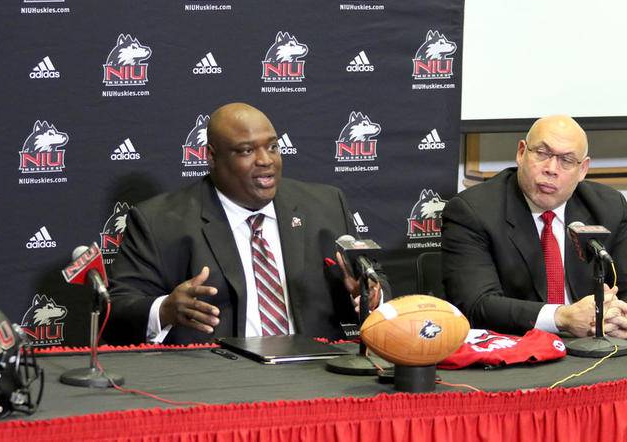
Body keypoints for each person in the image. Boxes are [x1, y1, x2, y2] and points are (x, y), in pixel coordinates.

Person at [105, 103, 388, 345]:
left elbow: (374, 281)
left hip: (314, 372)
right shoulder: (160, 221)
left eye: (273, 147)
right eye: (246, 151)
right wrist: (165, 309)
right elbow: (116, 310)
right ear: (212, 157)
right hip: (216, 382)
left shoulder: (325, 205)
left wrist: (370, 296)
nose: (265, 161)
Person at [442, 115, 627, 337]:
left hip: (594, 346)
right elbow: (477, 305)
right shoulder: (473, 211)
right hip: (518, 352)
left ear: (583, 169)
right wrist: (562, 317)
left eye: (566, 160)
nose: (551, 168)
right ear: (521, 152)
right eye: (542, 153)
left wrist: (618, 318)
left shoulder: (609, 207)